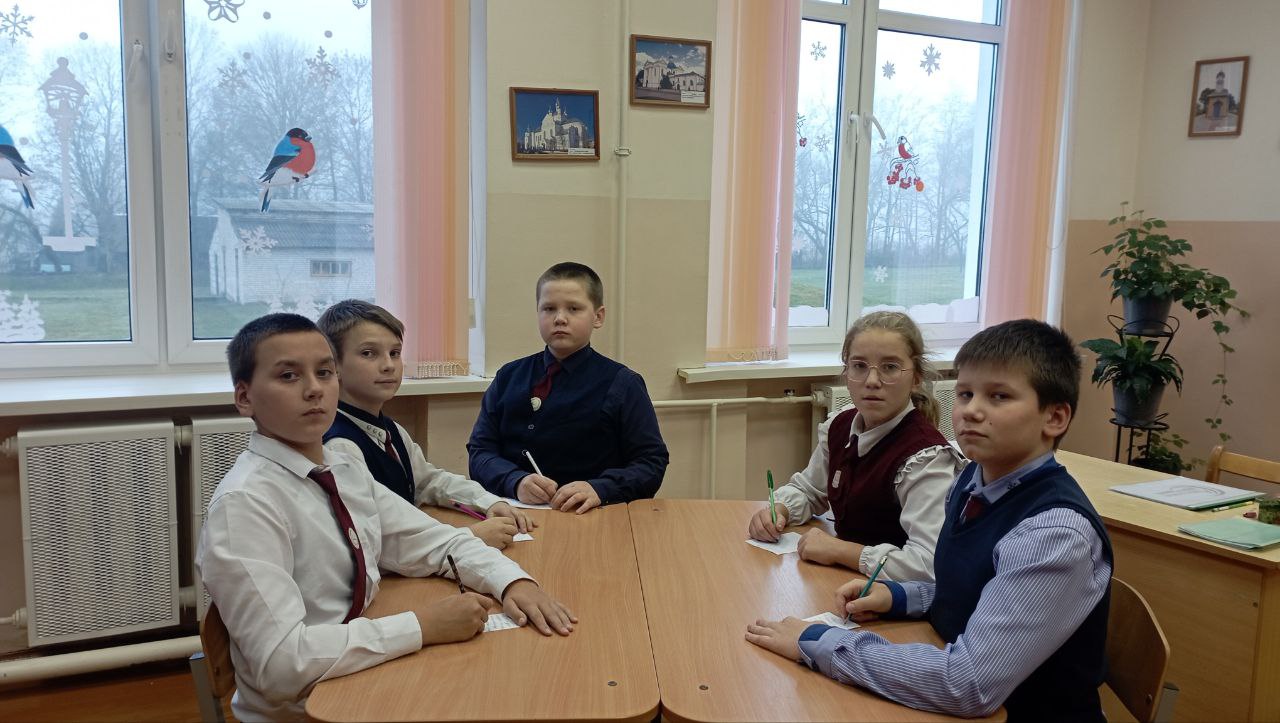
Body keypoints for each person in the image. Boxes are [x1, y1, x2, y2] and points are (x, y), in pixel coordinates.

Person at [197, 313, 575, 721]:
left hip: (363, 669)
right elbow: (281, 666)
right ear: (244, 398)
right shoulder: (245, 506)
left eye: (324, 372)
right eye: (288, 376)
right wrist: (422, 625)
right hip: (310, 708)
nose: (314, 389)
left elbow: (436, 541)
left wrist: (513, 582)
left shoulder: (341, 466)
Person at [746, 319, 1113, 721]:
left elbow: (967, 685)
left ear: (1055, 418)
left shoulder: (1054, 534)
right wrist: (902, 598)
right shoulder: (974, 481)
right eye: (966, 394)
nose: (971, 410)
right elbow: (975, 589)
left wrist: (819, 641)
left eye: (999, 396)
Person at [747, 311, 965, 582]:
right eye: (859, 366)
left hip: (892, 596)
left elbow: (928, 564)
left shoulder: (926, 458)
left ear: (916, 377)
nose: (872, 381)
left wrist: (840, 551)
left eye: (890, 367)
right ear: (846, 372)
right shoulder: (840, 425)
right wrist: (778, 510)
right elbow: (810, 490)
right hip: (842, 580)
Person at [318, 299, 531, 549]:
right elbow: (372, 538)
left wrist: (489, 501)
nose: (388, 365)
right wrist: (468, 538)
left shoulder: (390, 429)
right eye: (368, 353)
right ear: (333, 366)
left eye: (395, 353)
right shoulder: (340, 447)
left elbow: (428, 480)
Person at [467, 262, 669, 513]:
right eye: (549, 308)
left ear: (598, 317)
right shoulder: (508, 376)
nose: (560, 318)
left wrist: (600, 489)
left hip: (590, 515)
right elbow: (480, 451)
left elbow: (651, 462)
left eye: (574, 309)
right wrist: (514, 481)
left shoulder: (624, 384)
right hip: (513, 513)